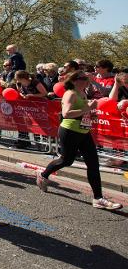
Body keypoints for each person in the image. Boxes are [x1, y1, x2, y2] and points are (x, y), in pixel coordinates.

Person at [36, 71, 122, 210]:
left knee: (93, 164)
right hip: (69, 131)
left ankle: (98, 198)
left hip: (84, 132)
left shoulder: (83, 93)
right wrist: (87, 108)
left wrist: (90, 114)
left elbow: (81, 112)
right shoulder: (71, 93)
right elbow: (66, 113)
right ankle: (43, 174)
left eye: (87, 78)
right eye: (84, 78)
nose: (87, 80)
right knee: (66, 160)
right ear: (75, 80)